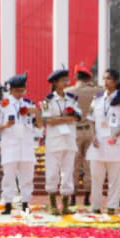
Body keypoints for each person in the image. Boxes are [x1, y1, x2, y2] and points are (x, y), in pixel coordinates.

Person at [87, 69, 120, 213]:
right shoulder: (97, 99)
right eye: (103, 79)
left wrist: (116, 135)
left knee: (115, 178)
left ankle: (112, 207)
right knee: (96, 177)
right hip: (98, 143)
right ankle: (95, 207)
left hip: (115, 143)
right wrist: (92, 136)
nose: (105, 82)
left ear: (115, 81)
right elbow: (91, 120)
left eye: (108, 79)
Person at [40, 67, 82, 214]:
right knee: (52, 173)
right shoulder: (47, 101)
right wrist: (66, 118)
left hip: (69, 140)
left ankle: (65, 205)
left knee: (68, 173)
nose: (66, 82)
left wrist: (59, 119)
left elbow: (77, 116)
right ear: (55, 83)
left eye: (66, 80)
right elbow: (47, 120)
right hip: (54, 141)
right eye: (63, 80)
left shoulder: (72, 99)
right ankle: (52, 204)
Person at [0, 74, 38, 214]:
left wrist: (35, 112)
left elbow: (38, 123)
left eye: (22, 90)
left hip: (26, 143)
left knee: (27, 175)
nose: (20, 93)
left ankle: (25, 203)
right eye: (17, 90)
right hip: (10, 144)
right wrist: (6, 125)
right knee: (8, 175)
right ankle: (8, 203)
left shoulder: (28, 103)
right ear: (11, 90)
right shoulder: (3, 104)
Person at [66, 66, 102, 206]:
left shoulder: (68, 91)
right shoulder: (96, 91)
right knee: (89, 165)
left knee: (73, 165)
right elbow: (104, 91)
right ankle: (87, 196)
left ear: (76, 77)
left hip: (74, 130)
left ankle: (73, 197)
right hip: (90, 130)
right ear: (88, 78)